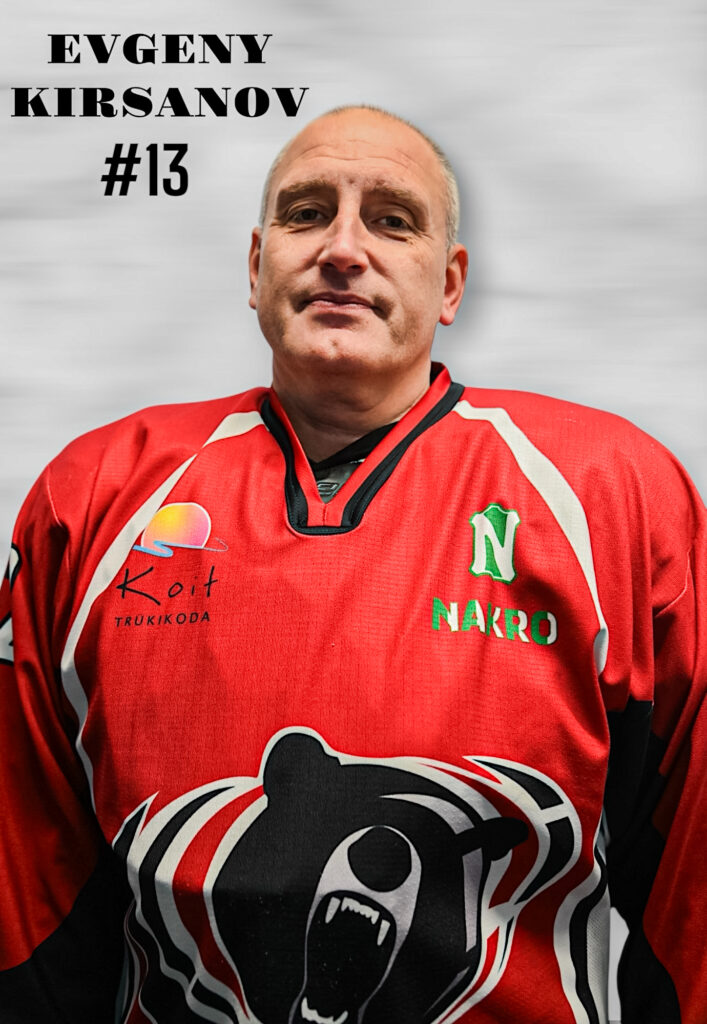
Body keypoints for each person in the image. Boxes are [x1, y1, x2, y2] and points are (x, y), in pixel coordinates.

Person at [0, 105, 704, 1024]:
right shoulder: (96, 494)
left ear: (448, 284)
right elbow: (29, 890)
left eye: (391, 220)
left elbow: (690, 885)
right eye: (306, 214)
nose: (342, 248)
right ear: (256, 267)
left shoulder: (610, 493)